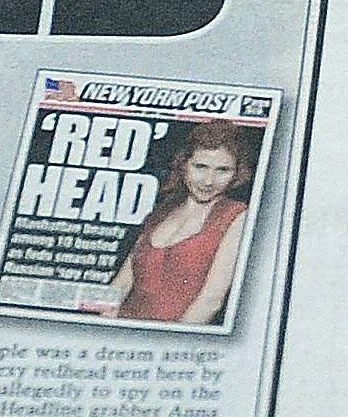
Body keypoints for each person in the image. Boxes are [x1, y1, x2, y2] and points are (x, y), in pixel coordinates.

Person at [86, 122, 256, 327]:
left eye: (223, 170)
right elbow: (120, 285)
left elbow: (211, 301)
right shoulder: (162, 211)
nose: (209, 181)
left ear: (237, 173)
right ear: (184, 164)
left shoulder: (236, 215)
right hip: (122, 329)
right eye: (200, 167)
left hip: (172, 336)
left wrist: (169, 341)